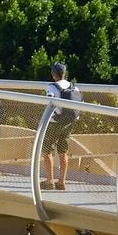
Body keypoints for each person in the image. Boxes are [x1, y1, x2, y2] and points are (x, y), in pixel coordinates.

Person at [42, 61, 80, 191]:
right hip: (69, 122)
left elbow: (49, 102)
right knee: (63, 151)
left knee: (47, 150)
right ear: (64, 73)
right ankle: (62, 181)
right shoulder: (74, 87)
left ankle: (49, 180)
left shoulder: (52, 87)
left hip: (54, 123)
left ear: (53, 74)